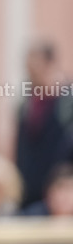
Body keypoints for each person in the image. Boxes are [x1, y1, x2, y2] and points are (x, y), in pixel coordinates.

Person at [15, 41, 73, 211]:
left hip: (62, 198)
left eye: (34, 65)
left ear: (50, 64)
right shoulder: (27, 103)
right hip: (31, 194)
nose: (30, 71)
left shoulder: (67, 101)